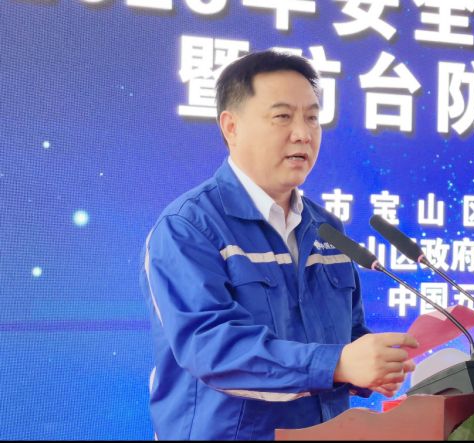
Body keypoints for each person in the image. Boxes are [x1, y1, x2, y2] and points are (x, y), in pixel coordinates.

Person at [140, 49, 418, 440]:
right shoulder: (188, 227)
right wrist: (337, 363)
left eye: (312, 118)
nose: (303, 133)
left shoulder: (325, 228)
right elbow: (213, 349)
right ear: (231, 127)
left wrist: (377, 363)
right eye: (283, 117)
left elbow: (346, 334)